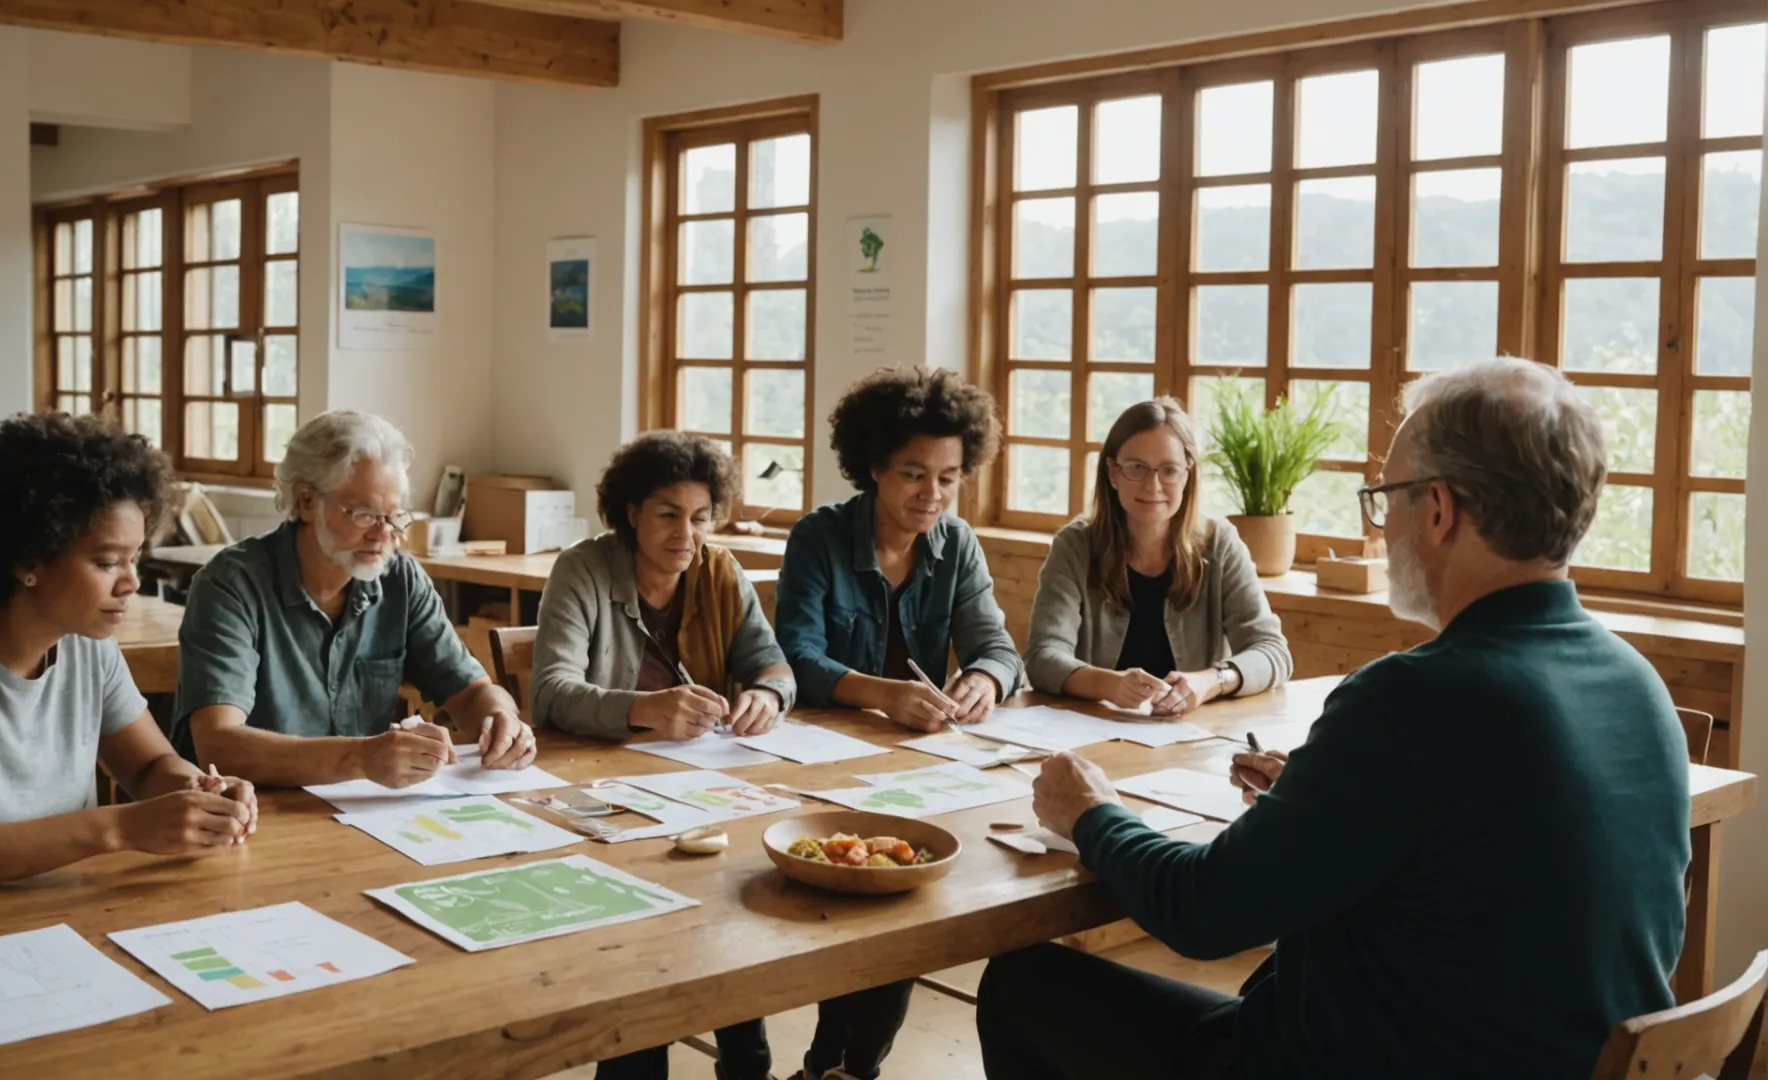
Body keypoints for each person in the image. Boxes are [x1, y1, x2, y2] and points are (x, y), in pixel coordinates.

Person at [981, 357, 1690, 1079]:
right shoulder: (1641, 687)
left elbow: (1201, 912)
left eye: (1386, 498)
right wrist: (1324, 793)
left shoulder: (1412, 699)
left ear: (1439, 510)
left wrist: (1090, 813)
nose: (1382, 524)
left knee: (1017, 985)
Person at [0, 414, 257, 898]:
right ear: (28, 559)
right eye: (107, 562)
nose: (130, 582)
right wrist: (117, 829)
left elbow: (149, 767)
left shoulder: (88, 644)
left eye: (134, 559)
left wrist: (200, 792)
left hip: (59, 914)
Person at [774, 365, 1024, 1080]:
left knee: (905, 898)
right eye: (915, 474)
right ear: (874, 466)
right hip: (813, 764)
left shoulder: (959, 545)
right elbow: (794, 654)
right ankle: (834, 1063)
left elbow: (1000, 648)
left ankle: (846, 1067)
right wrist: (880, 694)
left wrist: (983, 678)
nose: (933, 495)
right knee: (863, 898)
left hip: (917, 769)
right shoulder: (819, 537)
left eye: (949, 477)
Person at [531, 431, 794, 1080]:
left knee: (734, 906)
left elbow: (775, 666)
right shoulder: (584, 569)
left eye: (702, 518)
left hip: (702, 791)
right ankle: (638, 1060)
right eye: (669, 515)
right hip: (601, 798)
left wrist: (766, 693)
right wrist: (643, 708)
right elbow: (551, 694)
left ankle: (745, 1053)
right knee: (643, 938)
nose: (687, 534)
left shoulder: (720, 571)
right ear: (631, 513)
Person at [173, 411, 534, 788]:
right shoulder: (231, 585)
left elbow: (471, 691)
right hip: (251, 813)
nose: (383, 535)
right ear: (307, 501)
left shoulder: (401, 579)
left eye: (394, 517)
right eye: (364, 515)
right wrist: (361, 757)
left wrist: (501, 718)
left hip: (361, 812)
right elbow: (219, 745)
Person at [1026, 398, 1290, 716]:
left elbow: (1272, 652)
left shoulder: (1220, 543)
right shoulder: (1075, 545)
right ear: (1113, 474)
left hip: (1193, 737)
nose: (1153, 485)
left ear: (1186, 475)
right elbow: (1042, 657)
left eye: (1168, 470)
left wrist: (1211, 681)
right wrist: (1109, 685)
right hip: (1090, 732)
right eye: (1136, 468)